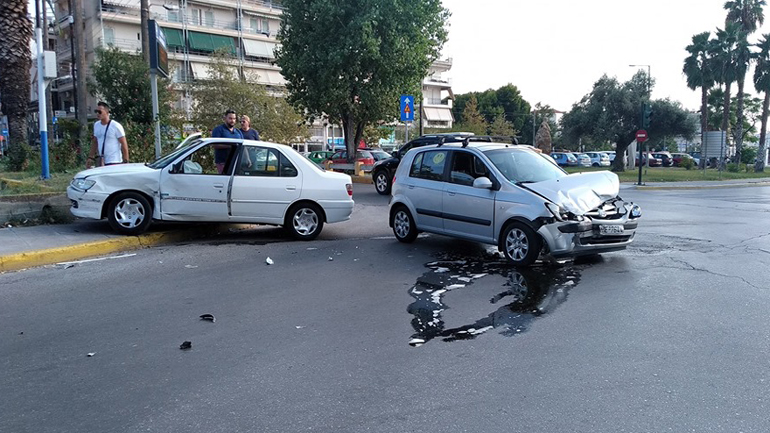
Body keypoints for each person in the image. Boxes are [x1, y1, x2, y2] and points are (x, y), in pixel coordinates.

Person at [87, 101, 128, 168]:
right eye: (96, 111)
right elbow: (95, 142)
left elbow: (124, 144)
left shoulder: (115, 126)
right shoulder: (96, 125)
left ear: (107, 112)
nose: (98, 114)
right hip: (102, 162)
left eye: (100, 112)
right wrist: (90, 157)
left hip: (115, 161)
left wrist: (126, 161)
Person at [211, 109, 243, 174]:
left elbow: (243, 145)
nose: (232, 121)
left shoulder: (238, 132)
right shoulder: (218, 130)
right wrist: (231, 146)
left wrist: (248, 159)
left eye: (234, 119)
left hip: (236, 162)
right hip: (223, 162)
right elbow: (215, 145)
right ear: (225, 118)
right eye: (230, 118)